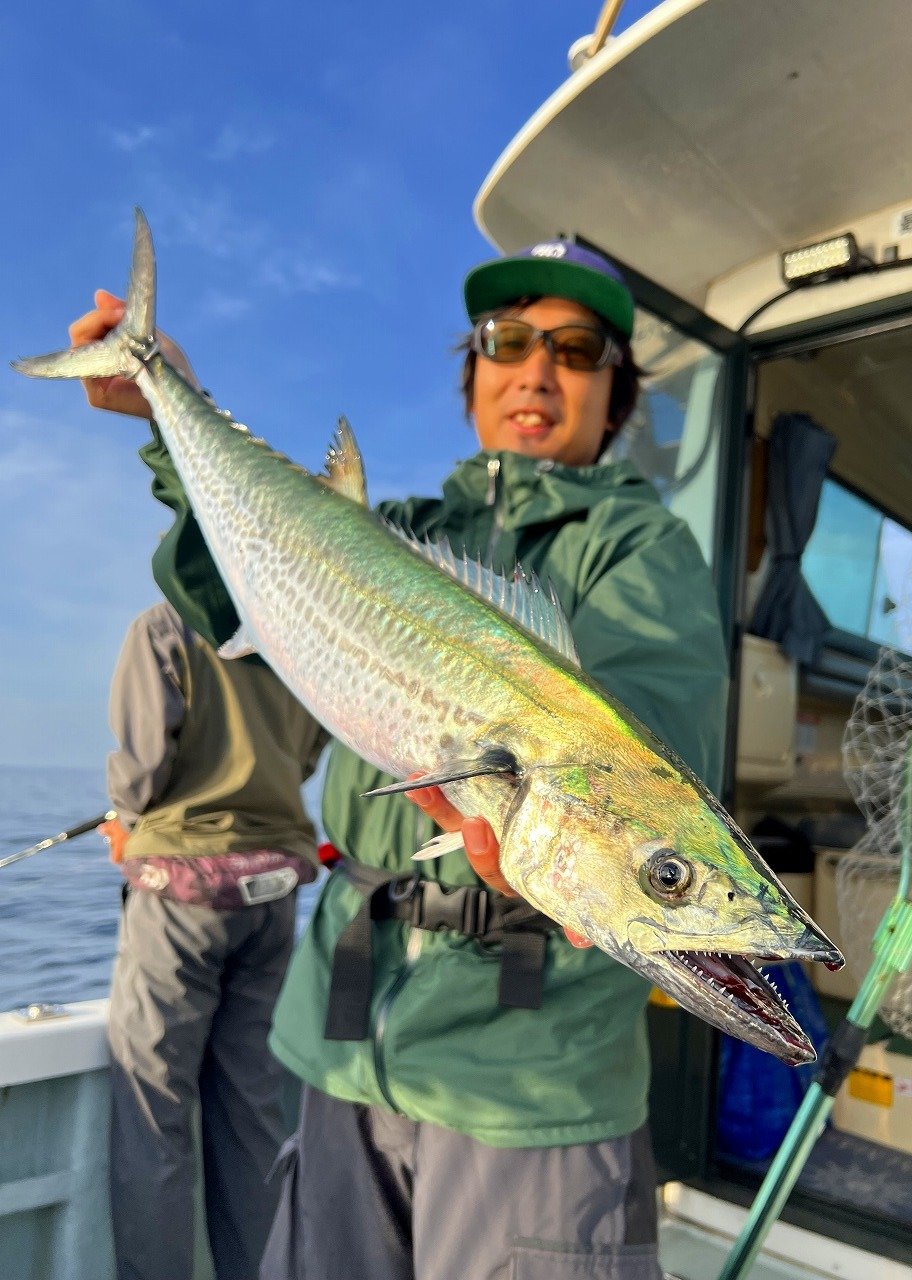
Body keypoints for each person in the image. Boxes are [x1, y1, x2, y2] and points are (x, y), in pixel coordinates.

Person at [70, 241, 729, 1280]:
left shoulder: (639, 548)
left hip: (528, 1079)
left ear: (618, 393)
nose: (538, 369)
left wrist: (619, 851)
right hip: (339, 1043)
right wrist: (168, 409)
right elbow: (240, 594)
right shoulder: (405, 528)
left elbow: (656, 736)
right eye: (507, 341)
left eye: (577, 349)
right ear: (472, 373)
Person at [99, 598, 328, 1280]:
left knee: (154, 1117)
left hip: (182, 898)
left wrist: (126, 824)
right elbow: (308, 752)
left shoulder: (164, 627)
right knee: (252, 1118)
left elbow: (141, 771)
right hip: (272, 898)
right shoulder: (294, 630)